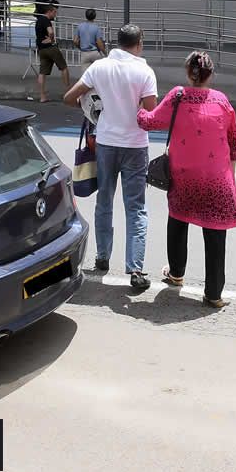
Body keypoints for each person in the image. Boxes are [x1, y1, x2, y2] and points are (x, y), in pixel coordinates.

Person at [136, 51, 236, 308]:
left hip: (184, 178)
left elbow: (149, 122)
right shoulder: (222, 101)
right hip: (218, 181)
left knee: (178, 220)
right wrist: (231, 174)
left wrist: (139, 108)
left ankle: (176, 274)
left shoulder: (177, 96)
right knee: (215, 234)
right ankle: (214, 295)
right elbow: (235, 144)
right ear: (211, 74)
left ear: (188, 74)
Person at [64, 24, 158, 290]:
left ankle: (102, 257)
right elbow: (150, 112)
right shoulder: (144, 71)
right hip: (135, 146)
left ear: (117, 42)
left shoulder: (99, 68)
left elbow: (70, 97)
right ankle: (136, 269)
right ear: (139, 43)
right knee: (136, 207)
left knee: (104, 200)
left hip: (105, 143)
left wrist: (96, 111)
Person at [35, 2, 69, 102]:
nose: (55, 14)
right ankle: (67, 92)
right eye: (54, 12)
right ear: (49, 11)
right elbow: (51, 32)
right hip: (50, 48)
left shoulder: (39, 20)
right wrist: (51, 39)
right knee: (64, 68)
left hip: (41, 49)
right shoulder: (46, 20)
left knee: (42, 73)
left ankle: (42, 96)